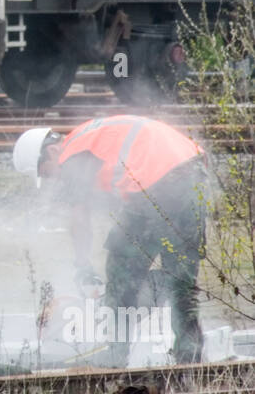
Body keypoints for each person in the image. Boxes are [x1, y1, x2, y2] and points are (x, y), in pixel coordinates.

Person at [12, 115, 208, 366]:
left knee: (122, 271)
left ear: (51, 152)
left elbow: (79, 216)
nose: (53, 179)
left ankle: (115, 356)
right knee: (180, 279)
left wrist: (82, 264)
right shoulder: (90, 134)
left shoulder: (72, 153)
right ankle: (189, 359)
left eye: (46, 174)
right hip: (193, 172)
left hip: (157, 180)